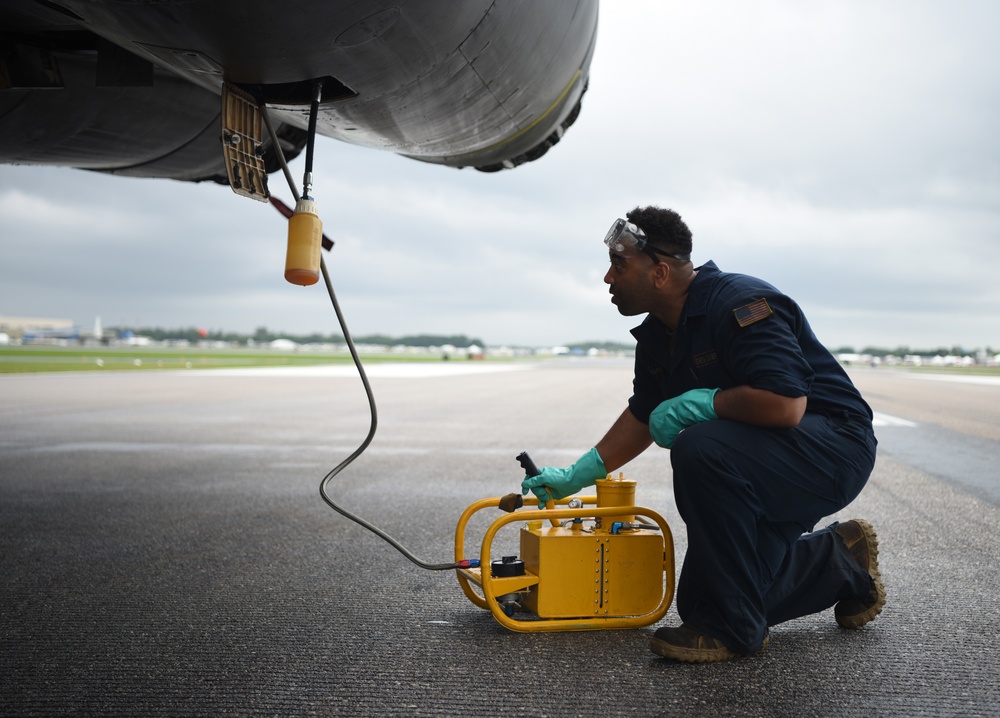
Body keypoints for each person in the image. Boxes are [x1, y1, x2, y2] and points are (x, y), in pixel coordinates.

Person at [521, 206, 884, 663]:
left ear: (659, 272)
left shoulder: (739, 303)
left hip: (831, 446)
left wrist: (706, 403)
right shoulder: (658, 334)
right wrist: (578, 474)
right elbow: (642, 414)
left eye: (619, 265)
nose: (608, 280)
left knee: (702, 448)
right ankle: (840, 559)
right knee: (703, 603)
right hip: (766, 459)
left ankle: (735, 633)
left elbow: (787, 405)